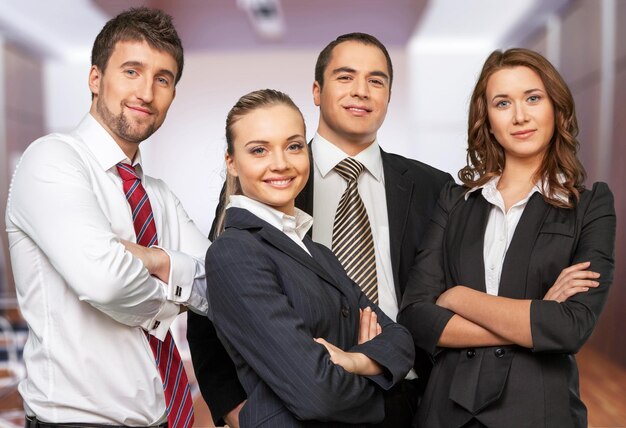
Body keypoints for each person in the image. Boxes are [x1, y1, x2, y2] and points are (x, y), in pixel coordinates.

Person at [187, 32, 452, 427]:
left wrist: (364, 360)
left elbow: (419, 316)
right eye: (345, 77)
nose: (361, 91)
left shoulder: (434, 187)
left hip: (420, 396)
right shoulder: (262, 195)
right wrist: (235, 409)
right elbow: (211, 313)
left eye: (376, 80)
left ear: (389, 95)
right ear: (316, 90)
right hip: (301, 408)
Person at [5, 8, 209, 428]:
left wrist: (156, 262)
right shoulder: (52, 160)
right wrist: (175, 297)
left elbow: (222, 285)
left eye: (163, 78)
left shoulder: (161, 196)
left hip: (161, 418)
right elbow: (107, 282)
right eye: (131, 71)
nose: (146, 92)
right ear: (95, 78)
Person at [398, 48, 616, 428]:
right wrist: (535, 314)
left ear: (556, 108)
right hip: (445, 412)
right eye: (503, 103)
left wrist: (459, 298)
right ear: (488, 120)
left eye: (533, 98)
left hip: (540, 412)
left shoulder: (591, 205)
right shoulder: (455, 201)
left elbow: (569, 327)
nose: (520, 116)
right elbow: (417, 315)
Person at [206, 88, 414, 427]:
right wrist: (381, 383)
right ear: (232, 163)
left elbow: (401, 341)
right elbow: (318, 394)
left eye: (293, 146)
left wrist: (353, 361)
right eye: (259, 150)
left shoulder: (319, 252)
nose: (281, 163)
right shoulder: (234, 252)